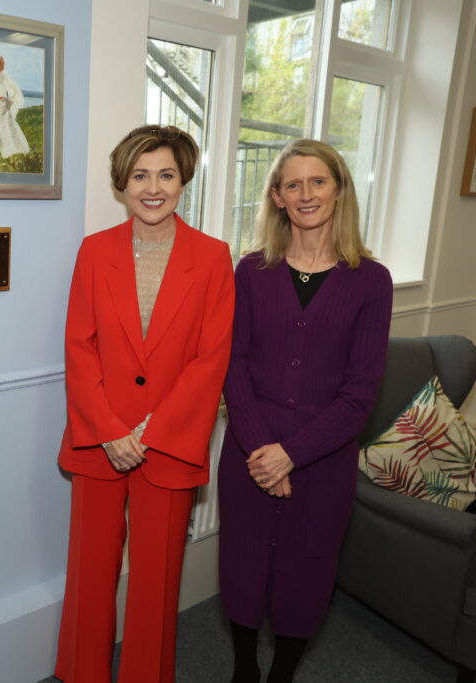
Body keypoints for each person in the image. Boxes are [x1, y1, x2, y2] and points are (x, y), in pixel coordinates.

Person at [55, 124, 235, 683]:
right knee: (89, 577)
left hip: (169, 445)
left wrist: (151, 432)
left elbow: (211, 360)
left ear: (183, 181)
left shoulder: (212, 257)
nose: (153, 187)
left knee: (156, 584)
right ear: (122, 183)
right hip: (99, 442)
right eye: (140, 175)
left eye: (166, 174)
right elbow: (79, 347)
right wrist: (110, 430)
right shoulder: (94, 251)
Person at [218, 139, 393, 683]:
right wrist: (262, 454)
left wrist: (290, 457)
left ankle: (282, 676)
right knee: (243, 568)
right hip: (250, 447)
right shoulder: (250, 270)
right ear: (276, 197)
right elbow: (234, 366)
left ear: (339, 190)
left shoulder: (371, 280)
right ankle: (244, 669)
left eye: (318, 181)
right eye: (292, 184)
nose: (306, 193)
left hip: (323, 458)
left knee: (307, 574)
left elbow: (362, 392)